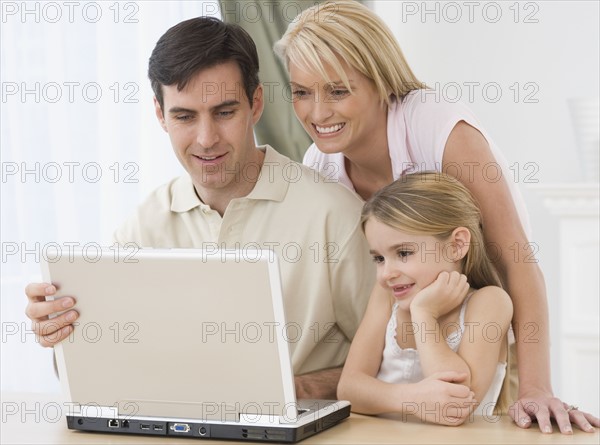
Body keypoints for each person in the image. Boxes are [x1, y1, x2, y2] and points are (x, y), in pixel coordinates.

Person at [274, 0, 599, 433]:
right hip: (399, 344)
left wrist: (536, 388)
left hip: (479, 337)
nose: (317, 113)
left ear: (381, 82)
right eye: (301, 92)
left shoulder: (436, 128)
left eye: (338, 90)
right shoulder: (321, 165)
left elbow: (516, 261)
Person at [23, 16, 375, 400]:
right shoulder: (144, 226)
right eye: (185, 116)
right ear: (160, 115)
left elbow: (394, 360)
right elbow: (94, 368)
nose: (206, 140)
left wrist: (296, 388)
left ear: (255, 105)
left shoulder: (335, 216)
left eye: (224, 112)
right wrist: (62, 335)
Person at [338, 172, 513, 425]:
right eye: (379, 259)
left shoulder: (489, 303)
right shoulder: (387, 297)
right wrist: (413, 398)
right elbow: (349, 388)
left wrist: (424, 315)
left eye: (404, 252)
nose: (387, 273)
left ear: (456, 245)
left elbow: (456, 407)